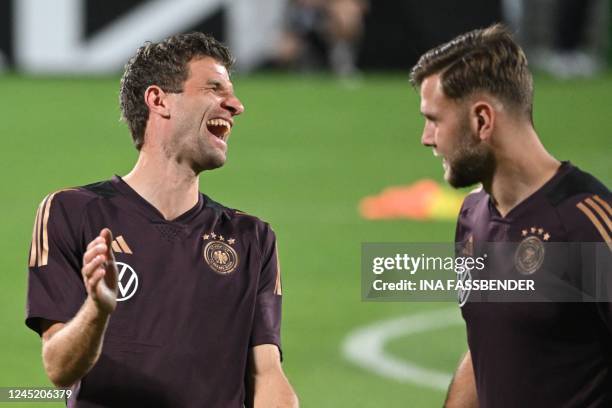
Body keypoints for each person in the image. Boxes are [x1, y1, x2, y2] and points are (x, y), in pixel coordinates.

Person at [25, 32, 298, 408]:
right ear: (158, 100)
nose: (235, 105)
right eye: (214, 88)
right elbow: (59, 368)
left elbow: (267, 374)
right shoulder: (73, 212)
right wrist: (98, 309)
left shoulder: (252, 237)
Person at [410, 24, 611, 407]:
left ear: (482, 121)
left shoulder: (587, 225)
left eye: (435, 119)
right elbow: (488, 348)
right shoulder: (473, 216)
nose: (426, 137)